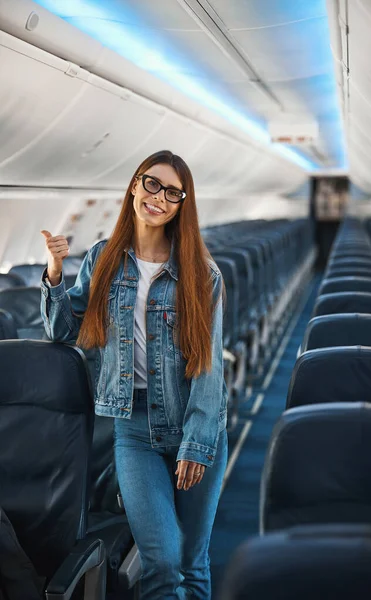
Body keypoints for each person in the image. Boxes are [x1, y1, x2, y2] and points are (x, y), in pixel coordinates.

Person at [39, 150, 228, 599]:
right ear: (133, 185)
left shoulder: (202, 273)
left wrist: (197, 443)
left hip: (193, 422)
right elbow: (62, 330)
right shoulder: (103, 259)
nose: (159, 197)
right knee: (161, 560)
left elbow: (209, 365)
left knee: (192, 561)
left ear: (183, 205)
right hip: (134, 429)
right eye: (152, 184)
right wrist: (54, 272)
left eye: (173, 193)